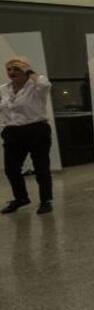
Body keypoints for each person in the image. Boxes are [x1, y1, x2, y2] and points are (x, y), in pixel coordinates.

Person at [1, 56, 53, 215]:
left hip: (36, 130)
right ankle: (21, 198)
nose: (11, 72)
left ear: (25, 70)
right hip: (12, 132)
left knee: (41, 168)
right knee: (11, 169)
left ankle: (45, 201)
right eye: (9, 69)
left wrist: (29, 71)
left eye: (16, 69)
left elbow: (45, 84)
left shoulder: (36, 86)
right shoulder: (3, 89)